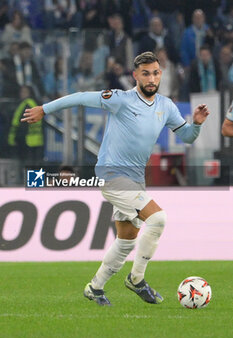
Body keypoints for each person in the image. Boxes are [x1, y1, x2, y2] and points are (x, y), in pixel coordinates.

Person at [21, 51, 210, 306]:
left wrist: (196, 123)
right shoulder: (119, 99)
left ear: (160, 74)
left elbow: (187, 137)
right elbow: (79, 97)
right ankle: (136, 279)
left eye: (155, 72)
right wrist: (45, 109)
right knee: (158, 218)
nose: (151, 78)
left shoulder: (166, 106)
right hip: (112, 174)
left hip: (134, 178)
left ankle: (95, 288)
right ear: (135, 76)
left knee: (126, 240)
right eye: (145, 73)